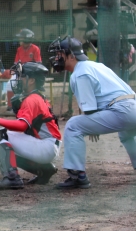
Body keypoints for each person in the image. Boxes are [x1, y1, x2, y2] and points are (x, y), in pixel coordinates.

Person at [49, 36, 136, 189]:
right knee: (127, 134)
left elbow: (89, 110)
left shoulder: (80, 73)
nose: (57, 58)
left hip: (121, 110)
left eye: (59, 54)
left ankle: (77, 175)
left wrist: (91, 125)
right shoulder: (95, 65)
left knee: (73, 126)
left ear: (71, 56)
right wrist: (92, 123)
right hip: (131, 107)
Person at [0, 62, 61, 189]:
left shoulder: (32, 99)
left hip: (46, 146)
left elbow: (22, 126)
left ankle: (12, 178)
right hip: (48, 145)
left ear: (31, 80)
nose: (19, 79)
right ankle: (44, 170)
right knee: (7, 145)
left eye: (22, 76)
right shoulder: (36, 96)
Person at [5, 28, 42, 111]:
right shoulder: (19, 49)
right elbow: (16, 63)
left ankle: (29, 105)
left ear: (27, 39)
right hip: (20, 71)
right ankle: (10, 106)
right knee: (9, 84)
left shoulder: (35, 48)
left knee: (26, 87)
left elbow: (38, 64)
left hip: (31, 73)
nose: (19, 40)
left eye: (21, 38)